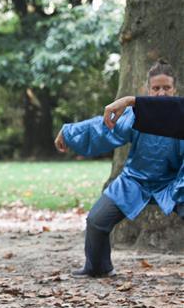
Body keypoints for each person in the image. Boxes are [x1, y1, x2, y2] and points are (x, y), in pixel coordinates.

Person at [55, 60, 184, 277]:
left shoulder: (181, 114)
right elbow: (104, 128)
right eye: (156, 88)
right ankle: (98, 267)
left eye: (166, 88)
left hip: (174, 184)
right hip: (134, 181)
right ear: (147, 90)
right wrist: (69, 133)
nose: (161, 93)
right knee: (96, 221)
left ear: (175, 89)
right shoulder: (136, 115)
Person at [104, 95, 184, 139]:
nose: (161, 93)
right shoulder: (129, 116)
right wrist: (130, 101)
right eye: (156, 88)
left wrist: (130, 101)